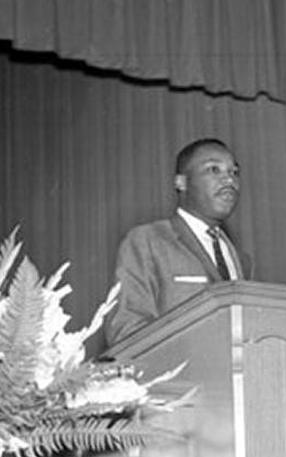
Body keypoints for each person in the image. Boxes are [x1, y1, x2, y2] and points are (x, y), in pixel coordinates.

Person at [105, 137, 252, 346]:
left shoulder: (241, 259)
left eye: (234, 172)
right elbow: (126, 331)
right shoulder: (148, 241)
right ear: (181, 182)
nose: (229, 180)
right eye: (214, 170)